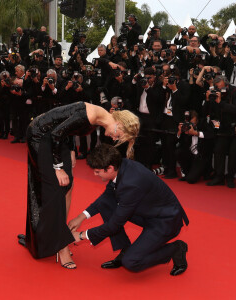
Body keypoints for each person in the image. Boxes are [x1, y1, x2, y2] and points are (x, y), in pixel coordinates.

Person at [18, 102, 140, 269]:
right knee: (54, 190)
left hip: (58, 141)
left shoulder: (99, 116)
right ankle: (61, 247)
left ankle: (51, 236)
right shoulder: (91, 115)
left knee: (68, 187)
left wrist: (71, 151)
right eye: (118, 136)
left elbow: (65, 127)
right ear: (119, 124)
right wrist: (58, 167)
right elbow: (55, 133)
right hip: (41, 137)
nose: (114, 138)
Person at [69, 144, 189, 274]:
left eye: (97, 171)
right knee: (106, 204)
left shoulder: (131, 185)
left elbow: (114, 224)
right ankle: (125, 249)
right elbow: (107, 197)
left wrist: (81, 235)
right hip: (147, 211)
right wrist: (81, 217)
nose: (95, 174)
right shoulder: (121, 165)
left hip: (165, 221)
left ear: (110, 168)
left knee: (131, 262)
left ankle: (176, 249)